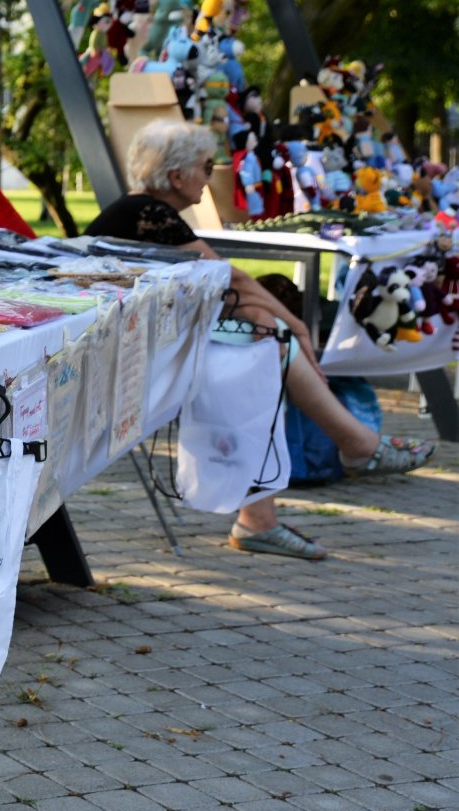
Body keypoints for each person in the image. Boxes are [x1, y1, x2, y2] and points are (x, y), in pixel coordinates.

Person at [88, 119, 436, 558]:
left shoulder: (142, 211)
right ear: (176, 176)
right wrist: (298, 326)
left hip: (133, 352)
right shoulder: (149, 214)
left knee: (261, 334)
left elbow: (226, 289)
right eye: (205, 166)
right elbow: (229, 279)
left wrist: (280, 323)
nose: (210, 177)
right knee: (263, 342)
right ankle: (342, 455)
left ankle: (299, 488)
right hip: (119, 369)